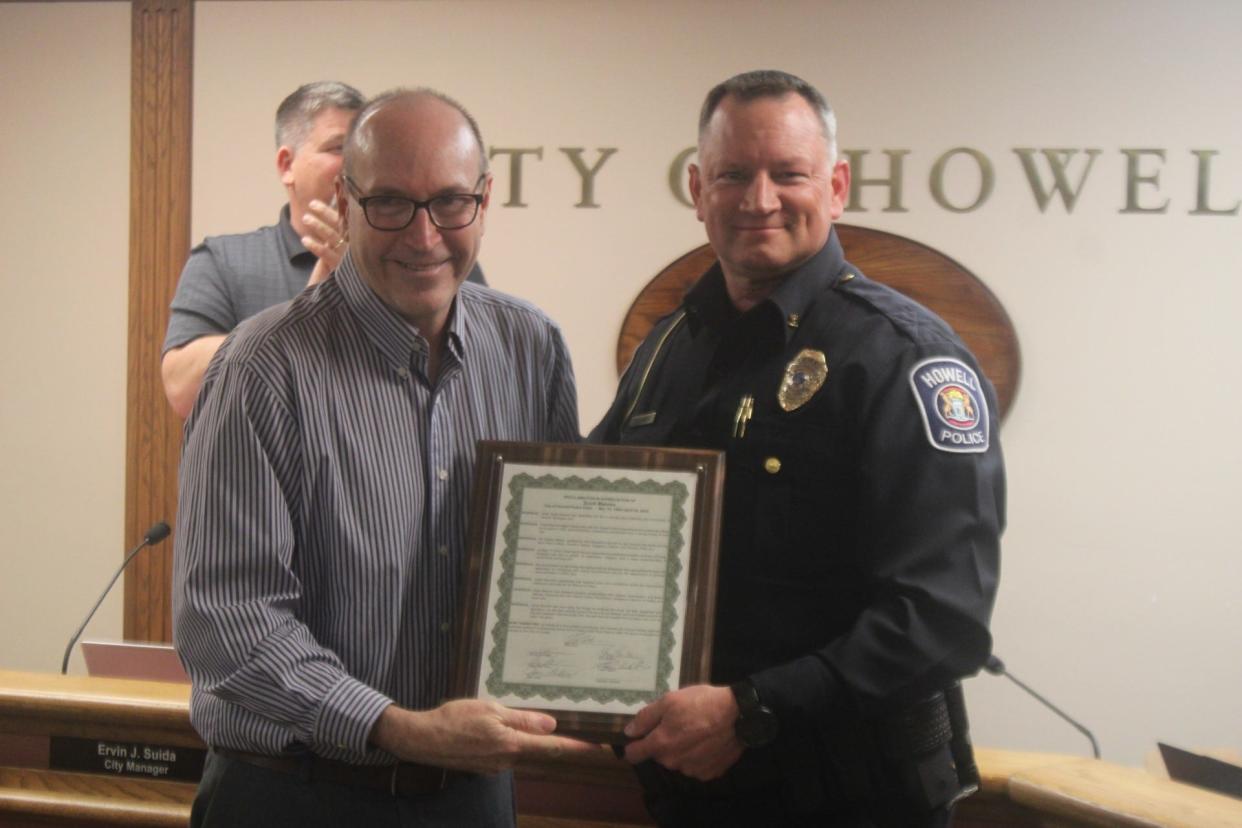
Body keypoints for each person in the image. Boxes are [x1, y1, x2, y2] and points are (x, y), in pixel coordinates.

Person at [590, 70, 1005, 827]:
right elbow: (596, 522)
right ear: (697, 188)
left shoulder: (903, 359)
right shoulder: (669, 349)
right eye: (733, 175)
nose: (759, 200)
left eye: (789, 173)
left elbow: (943, 621)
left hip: (853, 799)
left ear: (838, 185)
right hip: (692, 796)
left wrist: (751, 711)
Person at [172, 88, 589, 828]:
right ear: (346, 198)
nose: (424, 236)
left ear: (485, 200)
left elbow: (554, 566)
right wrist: (397, 726)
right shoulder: (261, 369)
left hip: (471, 800)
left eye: (451, 203)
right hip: (295, 797)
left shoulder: (532, 349)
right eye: (391, 202)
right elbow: (227, 624)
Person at [160, 80, 487, 417]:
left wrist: (376, 283)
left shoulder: (431, 254)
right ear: (287, 165)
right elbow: (182, 390)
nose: (355, 163)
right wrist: (313, 304)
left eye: (367, 151)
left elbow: (480, 374)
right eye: (338, 148)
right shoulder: (225, 261)